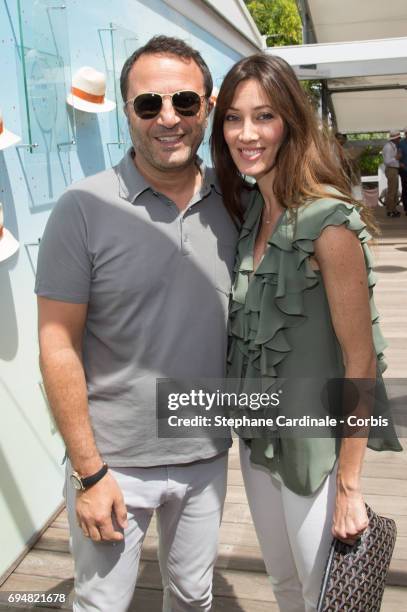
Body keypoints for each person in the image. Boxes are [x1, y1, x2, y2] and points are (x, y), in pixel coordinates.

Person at [35, 35, 238, 612]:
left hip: (206, 453)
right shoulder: (83, 207)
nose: (167, 118)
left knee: (194, 596)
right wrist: (89, 473)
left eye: (184, 102)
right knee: (101, 605)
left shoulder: (241, 203)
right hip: (114, 464)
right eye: (148, 104)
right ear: (128, 111)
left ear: (208, 105)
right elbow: (57, 344)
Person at [211, 53, 402, 611]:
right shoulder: (251, 213)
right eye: (233, 118)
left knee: (325, 598)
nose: (246, 134)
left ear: (291, 121)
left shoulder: (329, 223)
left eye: (263, 116)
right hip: (258, 442)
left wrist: (349, 485)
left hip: (316, 452)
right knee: (285, 588)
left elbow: (360, 362)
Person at [382, 130, 401, 217]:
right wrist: (396, 158)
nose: (400, 139)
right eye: (398, 137)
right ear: (395, 138)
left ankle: (393, 209)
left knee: (394, 189)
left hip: (394, 169)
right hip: (391, 169)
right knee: (392, 190)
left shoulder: (393, 145)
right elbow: (387, 161)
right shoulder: (388, 147)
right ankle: (390, 210)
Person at [398, 127, 407, 215]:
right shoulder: (401, 144)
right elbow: (398, 157)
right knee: (405, 189)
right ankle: (406, 208)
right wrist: (401, 165)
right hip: (404, 170)